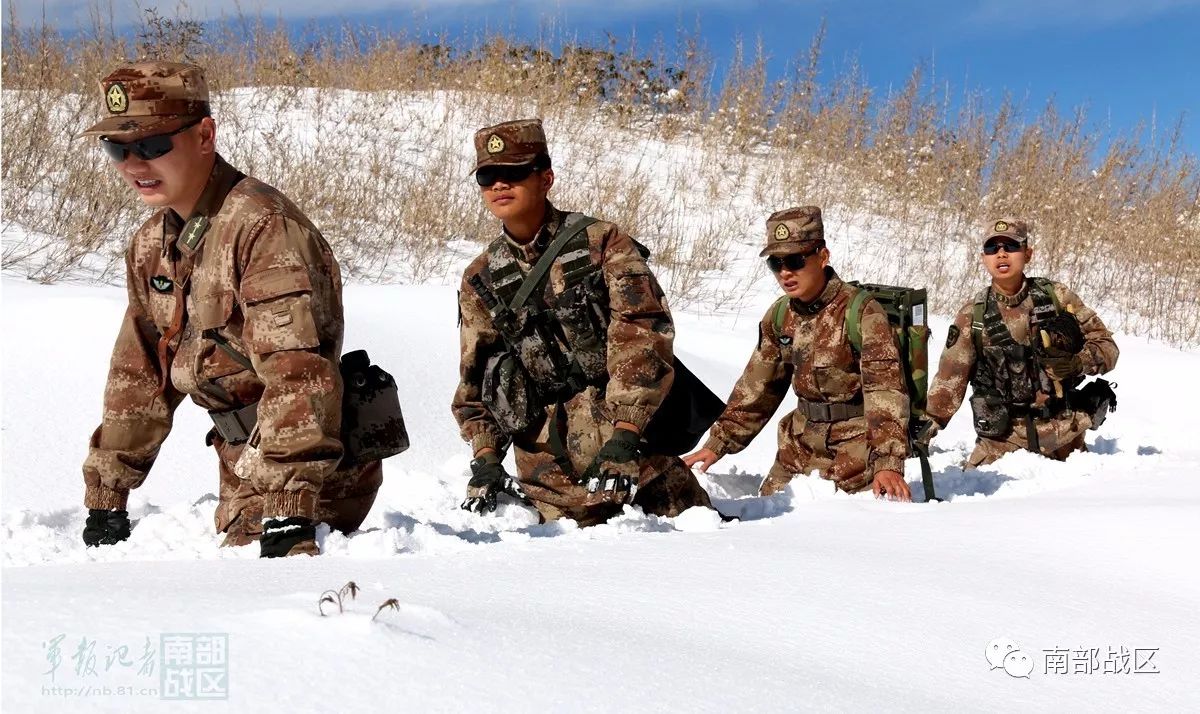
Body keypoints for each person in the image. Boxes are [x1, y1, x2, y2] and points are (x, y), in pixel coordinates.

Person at [78, 62, 381, 557]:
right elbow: (140, 375)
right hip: (241, 460)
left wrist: (288, 506)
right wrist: (108, 494)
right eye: (117, 147)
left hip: (314, 474)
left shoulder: (262, 227)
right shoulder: (152, 243)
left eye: (153, 145)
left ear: (205, 135)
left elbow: (298, 373)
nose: (133, 164)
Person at [452, 119, 713, 526]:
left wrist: (627, 435)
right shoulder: (480, 278)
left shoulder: (603, 242)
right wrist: (486, 459)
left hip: (636, 463)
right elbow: (478, 376)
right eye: (488, 176)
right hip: (549, 482)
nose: (499, 185)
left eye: (515, 172)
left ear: (546, 177)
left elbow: (643, 337)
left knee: (688, 550)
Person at [683, 207, 912, 501]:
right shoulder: (780, 315)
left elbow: (886, 391)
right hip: (798, 447)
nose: (785, 272)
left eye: (795, 260)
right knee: (767, 514)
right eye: (775, 264)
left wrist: (888, 463)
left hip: (858, 452)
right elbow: (759, 387)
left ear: (823, 256)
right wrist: (718, 443)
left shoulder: (861, 312)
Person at [920, 218, 1118, 465]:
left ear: (1028, 253)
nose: (1001, 254)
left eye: (1011, 246)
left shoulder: (1056, 297)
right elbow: (948, 384)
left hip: (1065, 436)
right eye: (992, 248)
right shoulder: (974, 315)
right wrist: (919, 435)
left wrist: (1078, 363)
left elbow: (1107, 348)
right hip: (1001, 441)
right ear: (983, 258)